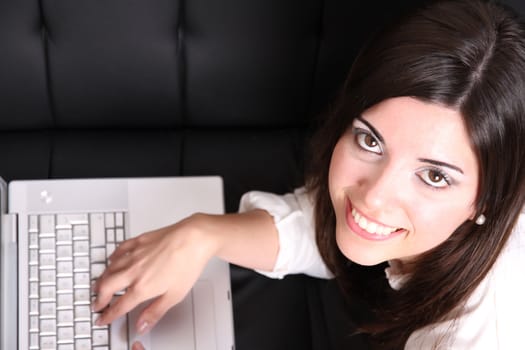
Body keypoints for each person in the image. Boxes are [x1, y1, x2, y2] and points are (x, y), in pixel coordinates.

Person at [93, 0, 525, 348]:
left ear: (489, 198)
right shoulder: (433, 225)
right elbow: (321, 224)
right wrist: (201, 234)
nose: (374, 197)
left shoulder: (480, 334)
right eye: (370, 141)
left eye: (433, 177)